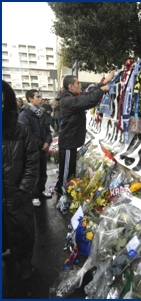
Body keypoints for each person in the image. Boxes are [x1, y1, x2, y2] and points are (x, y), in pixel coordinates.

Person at [54, 71, 115, 195]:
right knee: (66, 169)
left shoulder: (72, 97)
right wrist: (102, 89)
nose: (80, 85)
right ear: (70, 86)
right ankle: (62, 191)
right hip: (67, 142)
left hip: (70, 141)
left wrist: (103, 83)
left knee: (70, 168)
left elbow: (87, 94)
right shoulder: (67, 100)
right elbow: (88, 100)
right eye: (77, 83)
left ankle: (66, 187)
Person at [2, 80, 39, 280]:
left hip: (17, 196)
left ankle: (25, 264)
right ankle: (8, 252)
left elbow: (32, 161)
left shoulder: (20, 130)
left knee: (23, 232)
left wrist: (23, 189)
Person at [18, 89, 53, 206]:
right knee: (34, 173)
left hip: (43, 149)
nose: (40, 99)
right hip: (32, 151)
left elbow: (48, 130)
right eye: (37, 97)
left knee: (43, 172)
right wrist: (41, 144)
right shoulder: (24, 115)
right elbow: (28, 134)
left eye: (40, 97)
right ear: (30, 99)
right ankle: (33, 195)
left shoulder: (41, 113)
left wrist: (48, 142)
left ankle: (41, 191)